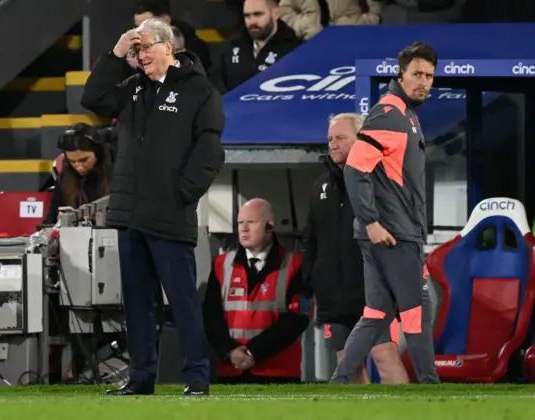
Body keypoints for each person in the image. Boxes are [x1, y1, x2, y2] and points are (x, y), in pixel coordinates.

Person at [80, 18, 225, 396]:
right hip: (129, 216)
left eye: (144, 47)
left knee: (182, 300)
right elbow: (92, 98)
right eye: (135, 50)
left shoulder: (199, 91)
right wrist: (114, 54)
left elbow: (210, 151)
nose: (139, 55)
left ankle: (196, 378)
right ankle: (141, 378)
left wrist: (181, 195)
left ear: (167, 47)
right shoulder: (131, 89)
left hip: (170, 213)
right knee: (137, 304)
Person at [330, 41, 440, 384]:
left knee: (376, 314)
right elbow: (355, 169)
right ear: (400, 74)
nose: (423, 81)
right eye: (417, 74)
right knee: (415, 314)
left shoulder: (404, 115)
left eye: (429, 75)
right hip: (393, 232)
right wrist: (372, 221)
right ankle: (431, 387)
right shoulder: (390, 113)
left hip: (388, 230)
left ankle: (339, 382)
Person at [304, 113, 409, 384]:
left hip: (371, 288)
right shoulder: (320, 187)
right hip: (334, 294)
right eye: (330, 138)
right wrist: (312, 279)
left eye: (340, 137)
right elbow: (311, 240)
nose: (332, 144)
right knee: (347, 363)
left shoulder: (380, 181)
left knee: (384, 354)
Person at [203, 198, 309, 384]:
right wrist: (229, 352)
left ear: (269, 226)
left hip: (279, 373)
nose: (243, 229)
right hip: (230, 371)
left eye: (250, 222)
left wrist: (254, 351)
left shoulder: (295, 265)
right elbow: (211, 315)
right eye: (240, 223)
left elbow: (299, 317)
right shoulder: (221, 265)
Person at [210, 0, 302, 94]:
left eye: (258, 14)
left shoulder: (295, 50)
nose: (252, 21)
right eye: (247, 16)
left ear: (276, 14)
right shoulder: (232, 48)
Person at [43, 123, 113, 224]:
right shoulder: (64, 178)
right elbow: (50, 221)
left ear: (98, 152)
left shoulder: (115, 174)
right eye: (72, 161)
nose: (79, 167)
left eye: (84, 160)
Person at [132, 0, 212, 71]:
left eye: (146, 26)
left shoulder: (196, 50)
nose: (140, 32)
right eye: (137, 27)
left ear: (166, 21)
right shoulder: (134, 48)